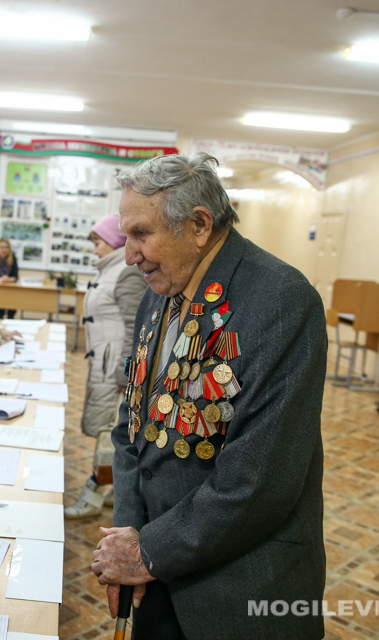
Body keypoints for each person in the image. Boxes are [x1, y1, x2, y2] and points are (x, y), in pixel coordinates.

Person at [90, 153, 326, 639]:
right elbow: (132, 424)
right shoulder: (161, 288)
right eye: (126, 234)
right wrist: (128, 539)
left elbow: (260, 480)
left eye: (141, 233)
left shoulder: (280, 298)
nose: (129, 254)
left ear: (198, 225)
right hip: (155, 571)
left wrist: (147, 551)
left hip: (237, 592)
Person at [65, 214, 147, 518]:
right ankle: (114, 488)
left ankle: (93, 495)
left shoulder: (126, 273)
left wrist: (124, 373)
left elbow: (134, 327)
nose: (94, 249)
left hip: (115, 370)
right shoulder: (110, 270)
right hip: (103, 364)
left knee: (111, 434)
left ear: (114, 241)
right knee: (108, 432)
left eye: (98, 242)